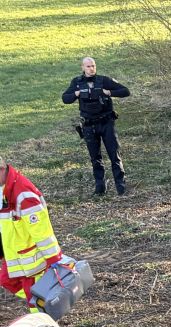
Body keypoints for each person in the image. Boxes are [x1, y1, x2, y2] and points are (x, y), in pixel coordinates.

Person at [0, 156, 63, 313]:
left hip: (32, 259)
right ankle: (50, 302)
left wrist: (53, 260)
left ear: (1, 170)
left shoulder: (23, 194)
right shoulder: (4, 188)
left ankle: (46, 319)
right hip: (15, 253)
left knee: (34, 297)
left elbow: (41, 231)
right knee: (6, 280)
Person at [62, 57, 129, 196]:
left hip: (106, 123)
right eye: (88, 66)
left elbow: (125, 91)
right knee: (95, 158)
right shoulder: (77, 82)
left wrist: (109, 92)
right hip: (89, 126)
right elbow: (65, 98)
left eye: (93, 66)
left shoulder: (104, 80)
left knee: (114, 155)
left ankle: (121, 187)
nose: (91, 68)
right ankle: (100, 189)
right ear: (82, 68)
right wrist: (76, 93)